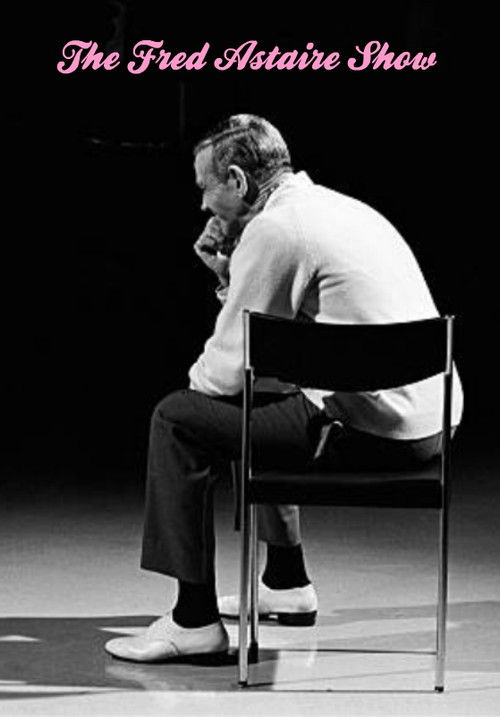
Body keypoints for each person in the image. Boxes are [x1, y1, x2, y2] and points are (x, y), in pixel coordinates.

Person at [104, 114, 463, 663]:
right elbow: (270, 346)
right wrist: (229, 275)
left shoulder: (274, 230)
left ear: (237, 180)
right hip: (432, 420)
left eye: (205, 187)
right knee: (264, 394)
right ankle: (286, 581)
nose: (202, 205)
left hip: (372, 430)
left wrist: (230, 288)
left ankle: (193, 620)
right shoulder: (338, 207)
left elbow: (221, 375)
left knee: (178, 419)